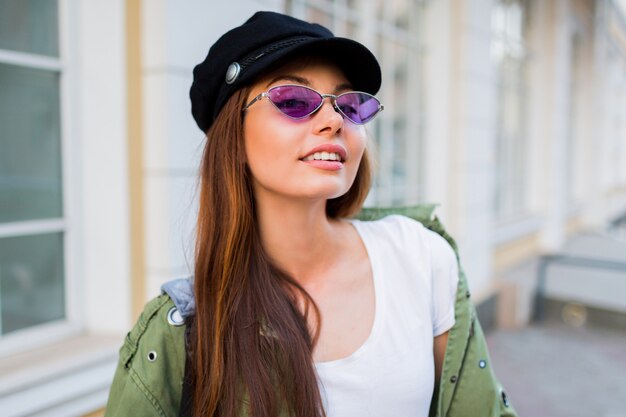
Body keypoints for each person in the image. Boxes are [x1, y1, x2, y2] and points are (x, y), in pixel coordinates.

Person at [104, 11, 517, 417]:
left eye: (349, 104)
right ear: (235, 135)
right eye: (294, 100)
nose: (334, 120)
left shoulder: (420, 257)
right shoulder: (182, 330)